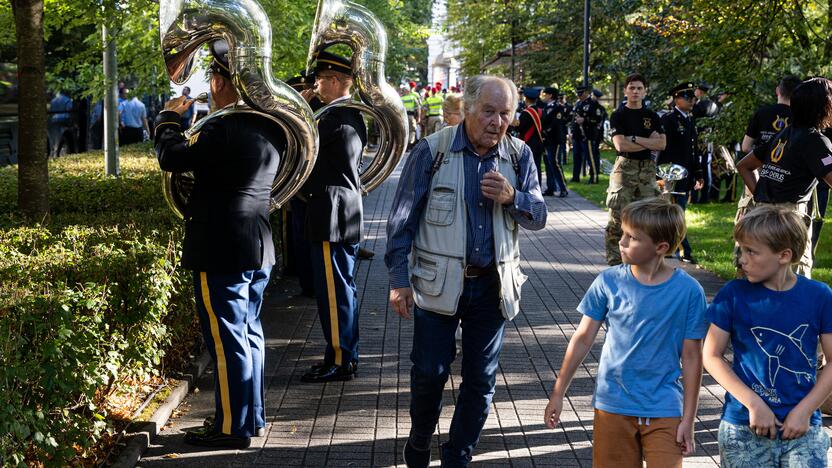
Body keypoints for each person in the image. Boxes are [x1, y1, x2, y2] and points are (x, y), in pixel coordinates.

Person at [386, 74, 546, 467]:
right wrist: (397, 281)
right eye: (488, 112)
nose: (497, 122)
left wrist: (514, 197)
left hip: (493, 286)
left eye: (505, 114)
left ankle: (458, 454)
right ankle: (420, 438)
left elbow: (538, 216)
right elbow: (401, 221)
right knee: (429, 372)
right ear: (468, 110)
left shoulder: (519, 156)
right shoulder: (432, 151)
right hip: (437, 284)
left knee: (481, 380)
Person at [153, 39, 285, 449]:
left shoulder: (222, 126)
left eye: (212, 77)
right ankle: (251, 416)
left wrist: (168, 119)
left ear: (223, 81)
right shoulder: (273, 125)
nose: (209, 84)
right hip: (258, 241)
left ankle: (231, 426)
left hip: (221, 243)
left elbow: (172, 157)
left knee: (227, 340)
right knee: (249, 333)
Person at [544, 197, 707, 468]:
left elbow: (692, 357)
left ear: (660, 247)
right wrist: (558, 392)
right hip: (613, 405)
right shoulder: (608, 282)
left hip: (664, 407)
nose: (621, 241)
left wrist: (688, 420)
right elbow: (583, 338)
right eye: (623, 233)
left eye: (632, 237)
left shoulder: (689, 292)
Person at [703, 206, 832, 467]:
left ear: (784, 255)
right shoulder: (733, 294)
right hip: (743, 424)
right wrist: (754, 404)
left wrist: (806, 410)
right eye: (741, 249)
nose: (741, 259)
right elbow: (711, 356)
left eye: (751, 251)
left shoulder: (820, 296)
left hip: (803, 427)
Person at [298, 50, 367, 383]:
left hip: (331, 214)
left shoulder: (331, 120)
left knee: (334, 294)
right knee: (344, 290)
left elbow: (302, 152)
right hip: (343, 212)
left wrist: (300, 107)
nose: (316, 83)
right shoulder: (347, 114)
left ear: (338, 81)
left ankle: (341, 360)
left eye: (322, 79)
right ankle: (343, 355)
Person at [737, 77, 832, 278]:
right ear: (824, 106)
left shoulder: (782, 134)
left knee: (755, 282)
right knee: (791, 285)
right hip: (787, 224)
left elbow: (744, 165)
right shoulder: (816, 141)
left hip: (759, 220)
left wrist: (761, 196)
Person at [605, 73, 666, 266]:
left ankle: (642, 262)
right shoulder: (619, 115)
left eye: (639, 88)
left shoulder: (652, 116)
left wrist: (634, 138)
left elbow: (662, 144)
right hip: (625, 169)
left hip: (647, 170)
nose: (635, 91)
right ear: (625, 91)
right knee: (618, 221)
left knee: (648, 219)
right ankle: (616, 265)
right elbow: (620, 145)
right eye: (631, 88)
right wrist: (649, 142)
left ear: (645, 91)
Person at [658, 82, 704, 263]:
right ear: (676, 99)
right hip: (672, 175)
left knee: (678, 212)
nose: (692, 100)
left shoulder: (690, 120)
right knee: (675, 213)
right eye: (687, 97)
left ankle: (675, 247)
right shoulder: (668, 120)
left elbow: (693, 150)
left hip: (686, 175)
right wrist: (662, 175)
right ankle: (681, 249)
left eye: (693, 97)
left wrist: (698, 174)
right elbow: (663, 150)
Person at [539, 86, 568, 197]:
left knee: (555, 163)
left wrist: (546, 131)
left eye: (545, 94)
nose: (543, 96)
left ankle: (563, 188)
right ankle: (551, 188)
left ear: (550, 95)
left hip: (554, 139)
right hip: (546, 140)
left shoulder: (558, 107)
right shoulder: (546, 107)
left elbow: (556, 122)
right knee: (548, 163)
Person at [571, 85, 602, 183]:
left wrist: (585, 120)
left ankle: (594, 177)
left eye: (581, 93)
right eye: (578, 93)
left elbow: (597, 119)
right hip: (577, 134)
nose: (579, 95)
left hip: (587, 134)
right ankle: (576, 177)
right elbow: (573, 118)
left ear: (586, 92)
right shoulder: (578, 103)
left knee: (590, 157)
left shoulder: (593, 103)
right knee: (576, 156)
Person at [516, 88, 546, 189]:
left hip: (529, 143)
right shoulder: (541, 111)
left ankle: (531, 187)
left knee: (528, 167)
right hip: (539, 143)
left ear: (526, 99)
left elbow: (520, 128)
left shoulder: (526, 113)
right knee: (537, 166)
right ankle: (539, 187)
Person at [402, 81, 423, 148]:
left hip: (404, 116)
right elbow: (419, 106)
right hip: (412, 115)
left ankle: (406, 143)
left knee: (406, 130)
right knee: (413, 129)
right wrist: (419, 116)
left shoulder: (401, 98)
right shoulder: (414, 96)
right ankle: (411, 143)